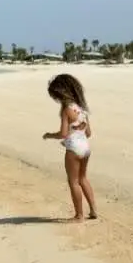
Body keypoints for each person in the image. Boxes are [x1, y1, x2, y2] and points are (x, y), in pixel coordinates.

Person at [42, 74, 98, 220]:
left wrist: (49, 135)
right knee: (83, 178)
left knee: (73, 182)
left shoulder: (66, 110)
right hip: (85, 148)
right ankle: (93, 210)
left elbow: (63, 134)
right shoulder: (82, 108)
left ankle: (79, 215)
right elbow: (89, 133)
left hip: (73, 149)